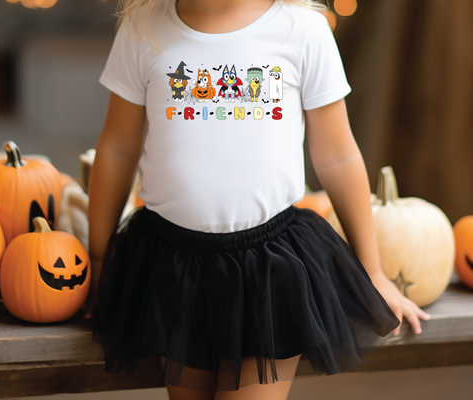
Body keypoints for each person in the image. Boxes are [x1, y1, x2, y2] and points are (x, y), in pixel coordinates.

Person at [83, 0, 431, 399]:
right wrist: (98, 257)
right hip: (174, 267)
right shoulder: (143, 28)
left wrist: (373, 271)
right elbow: (117, 149)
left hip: (269, 268)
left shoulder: (302, 29)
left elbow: (338, 156)